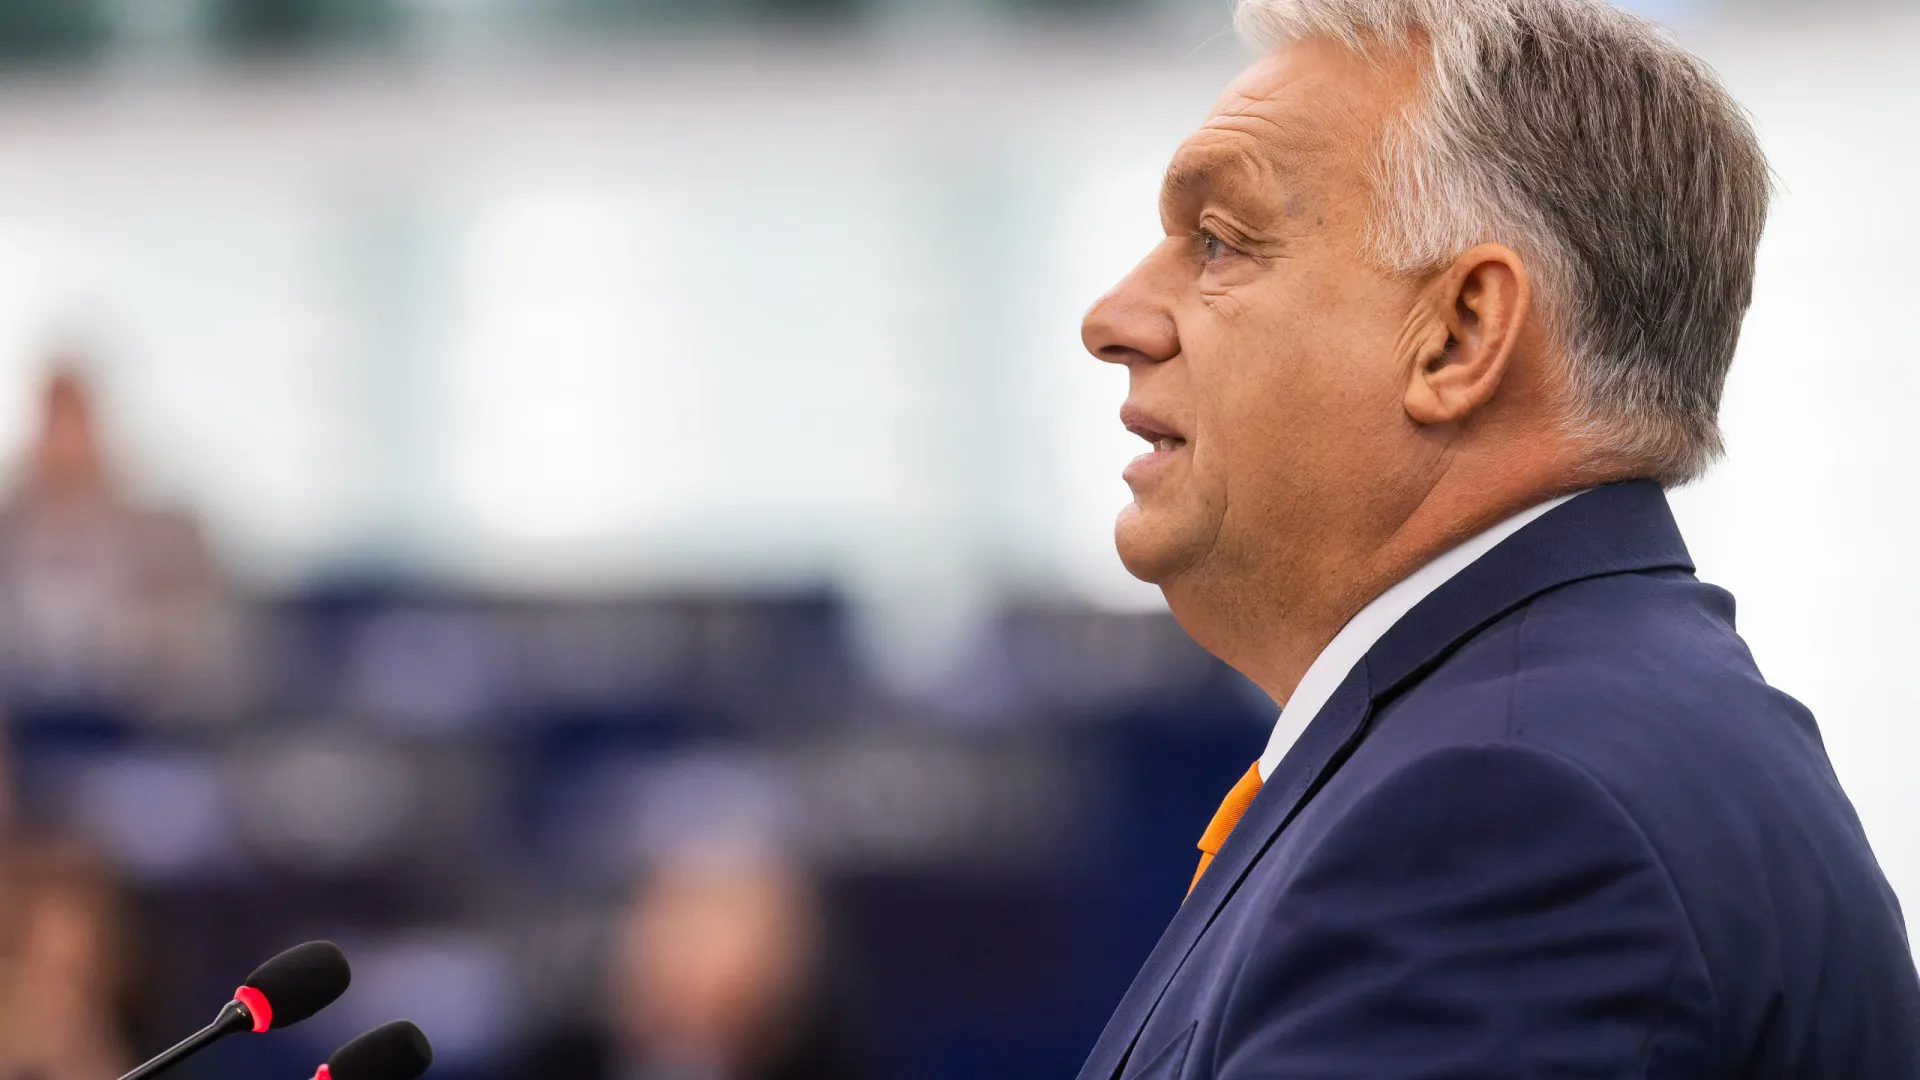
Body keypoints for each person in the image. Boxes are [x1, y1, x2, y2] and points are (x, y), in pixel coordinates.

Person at [1075, 2, 1920, 1077]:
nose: (1112, 319)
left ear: (1460, 336)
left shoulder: (1495, 812)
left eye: (1218, 243)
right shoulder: (1571, 728)